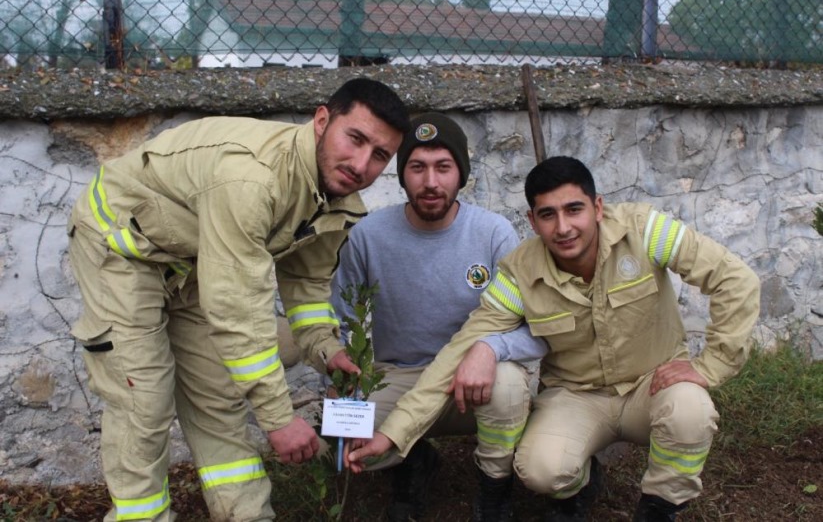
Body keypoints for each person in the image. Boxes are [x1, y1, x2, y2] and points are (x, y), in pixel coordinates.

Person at [66, 78, 409, 522]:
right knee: (143, 399)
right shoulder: (252, 178)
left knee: (216, 396)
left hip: (189, 261)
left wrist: (325, 348)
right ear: (322, 120)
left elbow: (305, 286)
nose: (362, 163)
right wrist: (280, 419)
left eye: (380, 154)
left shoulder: (336, 199)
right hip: (121, 245)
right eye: (355, 138)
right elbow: (237, 310)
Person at [348, 156, 761, 521]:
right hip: (576, 396)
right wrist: (396, 432)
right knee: (541, 470)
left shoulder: (645, 230)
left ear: (597, 207)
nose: (563, 228)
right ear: (532, 220)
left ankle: (659, 507)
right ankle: (578, 486)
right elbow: (456, 352)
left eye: (574, 209)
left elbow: (734, 279)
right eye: (548, 214)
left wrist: (711, 365)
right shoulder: (518, 272)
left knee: (690, 409)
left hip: (651, 386)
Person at [332, 113, 545, 521]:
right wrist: (341, 375)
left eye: (443, 167)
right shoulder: (368, 235)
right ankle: (416, 463)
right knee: (341, 441)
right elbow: (341, 318)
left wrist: (488, 348)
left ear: (460, 174)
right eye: (417, 167)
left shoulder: (493, 233)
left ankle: (494, 487)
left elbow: (532, 329)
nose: (430, 182)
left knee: (508, 384)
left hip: (472, 380)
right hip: (398, 376)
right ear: (402, 175)